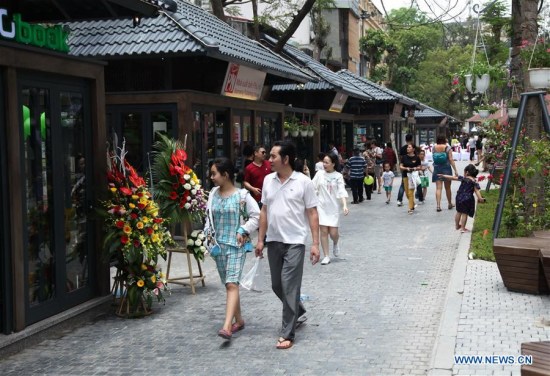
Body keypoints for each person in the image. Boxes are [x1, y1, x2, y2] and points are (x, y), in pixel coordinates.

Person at [255, 140, 320, 350]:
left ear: (286, 159)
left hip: (295, 242)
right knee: (277, 285)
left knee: (289, 285)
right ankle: (298, 310)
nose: (269, 159)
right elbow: (264, 211)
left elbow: (312, 213)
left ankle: (287, 333)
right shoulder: (267, 180)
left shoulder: (303, 182)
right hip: (274, 241)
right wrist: (260, 239)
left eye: (273, 156)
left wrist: (315, 244)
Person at [207, 158, 260, 340]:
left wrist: (243, 229)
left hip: (236, 246)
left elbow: (256, 216)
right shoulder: (213, 194)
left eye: (214, 173)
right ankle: (239, 320)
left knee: (231, 284)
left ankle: (227, 326)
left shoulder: (243, 196)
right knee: (231, 285)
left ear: (225, 174)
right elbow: (209, 218)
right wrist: (207, 238)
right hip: (218, 247)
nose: (211, 177)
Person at [312, 153, 349, 265]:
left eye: (327, 162)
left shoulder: (338, 176)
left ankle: (336, 242)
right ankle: (326, 256)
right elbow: (312, 186)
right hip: (321, 206)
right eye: (324, 162)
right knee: (323, 231)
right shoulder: (319, 174)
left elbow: (341, 191)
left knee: (333, 233)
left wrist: (344, 205)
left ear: (333, 164)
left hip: (333, 207)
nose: (324, 164)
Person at [438, 164, 486, 233]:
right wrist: (480, 198)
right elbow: (476, 191)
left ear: (467, 172)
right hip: (467, 198)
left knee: (458, 212)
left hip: (459, 197)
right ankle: (463, 228)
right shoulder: (474, 181)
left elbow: (452, 177)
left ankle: (457, 225)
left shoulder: (463, 178)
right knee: (464, 213)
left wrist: (443, 176)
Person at [432, 135, 459, 212]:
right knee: (447, 188)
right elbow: (451, 159)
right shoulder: (447, 148)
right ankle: (449, 203)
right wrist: (455, 170)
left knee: (438, 188)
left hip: (437, 168)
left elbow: (433, 157)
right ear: (444, 140)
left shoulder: (434, 147)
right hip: (446, 168)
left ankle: (438, 206)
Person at [399, 144, 421, 214]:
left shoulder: (417, 158)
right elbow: (401, 166)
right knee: (407, 194)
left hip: (413, 177)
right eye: (407, 147)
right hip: (405, 175)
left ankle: (410, 208)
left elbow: (419, 167)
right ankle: (413, 204)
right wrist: (406, 168)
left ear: (413, 149)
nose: (407, 148)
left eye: (409, 147)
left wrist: (415, 168)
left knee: (410, 192)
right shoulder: (404, 157)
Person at [396, 134, 414, 206]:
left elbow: (400, 158)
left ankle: (399, 200)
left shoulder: (402, 148)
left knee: (403, 184)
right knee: (414, 183)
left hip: (404, 168)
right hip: (412, 168)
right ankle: (417, 197)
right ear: (412, 139)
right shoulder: (413, 147)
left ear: (405, 140)